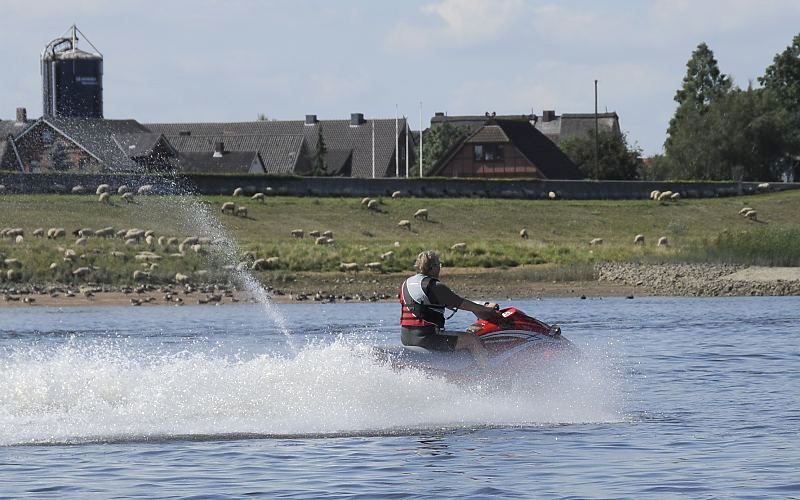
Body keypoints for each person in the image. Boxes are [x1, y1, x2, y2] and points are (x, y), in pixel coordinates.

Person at [399, 250, 503, 363]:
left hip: (406, 338)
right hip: (426, 339)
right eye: (439, 265)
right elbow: (461, 304)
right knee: (472, 340)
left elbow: (426, 305)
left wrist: (479, 306)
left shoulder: (405, 284)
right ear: (433, 267)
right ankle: (488, 375)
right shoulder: (435, 286)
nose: (440, 268)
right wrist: (487, 309)